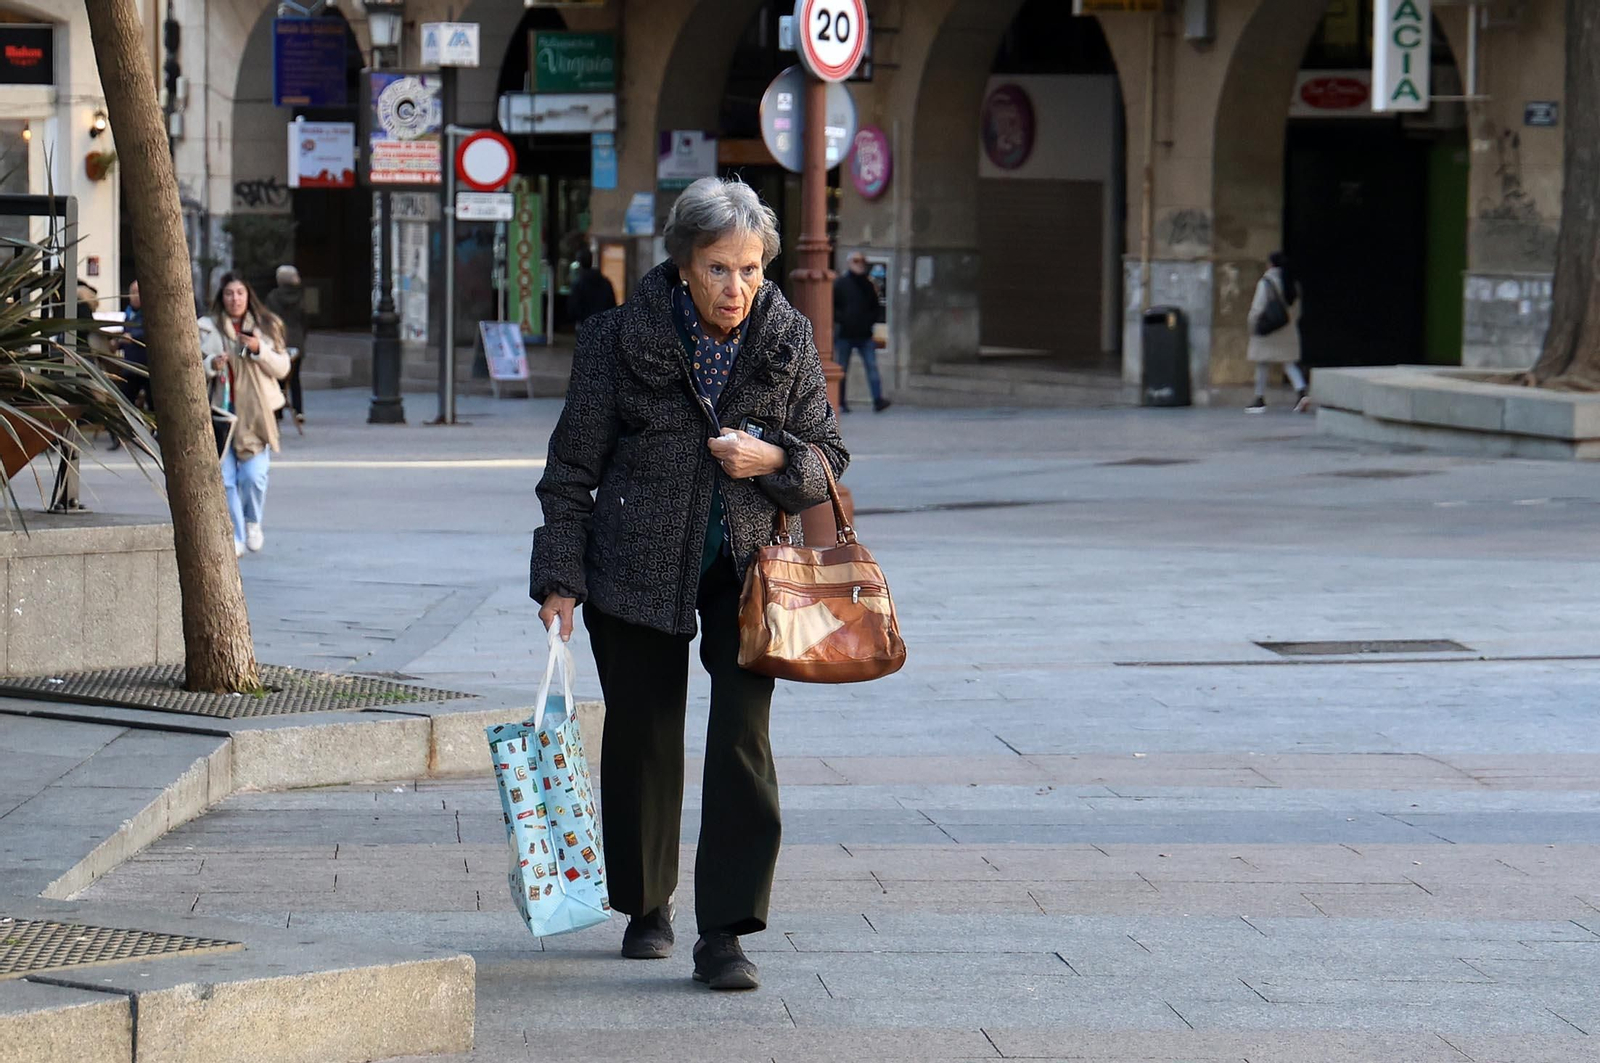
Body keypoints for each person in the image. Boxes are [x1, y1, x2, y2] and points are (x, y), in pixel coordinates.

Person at [530, 177, 847, 993]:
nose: (736, 287)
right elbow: (570, 469)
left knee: (743, 741)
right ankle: (646, 904)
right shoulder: (615, 338)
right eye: (717, 268)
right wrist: (559, 576)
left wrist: (773, 459)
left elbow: (828, 460)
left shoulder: (788, 337)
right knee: (643, 732)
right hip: (634, 560)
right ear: (681, 265)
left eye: (749, 268)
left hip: (748, 572)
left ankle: (727, 931)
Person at [199, 272, 291, 558]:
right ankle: (236, 536)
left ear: (248, 295)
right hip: (221, 412)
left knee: (252, 476)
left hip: (257, 413)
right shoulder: (205, 327)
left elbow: (282, 368)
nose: (234, 299)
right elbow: (192, 365)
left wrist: (258, 349)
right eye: (229, 293)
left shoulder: (266, 325)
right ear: (221, 297)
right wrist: (212, 364)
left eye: (240, 292)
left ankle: (252, 522)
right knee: (225, 479)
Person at [1246, 251, 1310, 413]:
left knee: (1261, 363)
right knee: (1288, 363)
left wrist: (1252, 324)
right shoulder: (1293, 283)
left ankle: (1259, 399)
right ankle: (1301, 392)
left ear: (1271, 264)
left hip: (1268, 330)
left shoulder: (1266, 282)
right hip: (1288, 330)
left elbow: (1258, 308)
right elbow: (1297, 311)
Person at [832, 252, 890, 413]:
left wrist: (869, 320)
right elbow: (833, 306)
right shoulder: (841, 283)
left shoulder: (868, 284)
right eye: (856, 261)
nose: (860, 264)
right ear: (850, 263)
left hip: (864, 334)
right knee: (842, 369)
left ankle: (878, 400)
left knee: (872, 367)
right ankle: (841, 402)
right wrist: (843, 319)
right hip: (846, 334)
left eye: (862, 261)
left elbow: (875, 306)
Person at [265, 265, 307, 429]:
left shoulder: (273, 297)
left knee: (278, 376)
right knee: (295, 378)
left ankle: (278, 409)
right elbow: (305, 319)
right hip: (297, 339)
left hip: (279, 339)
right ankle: (299, 410)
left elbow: (268, 318)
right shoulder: (301, 297)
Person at [566, 246, 617, 325]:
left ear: (580, 263)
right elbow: (612, 305)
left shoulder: (578, 284)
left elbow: (573, 309)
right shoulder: (605, 282)